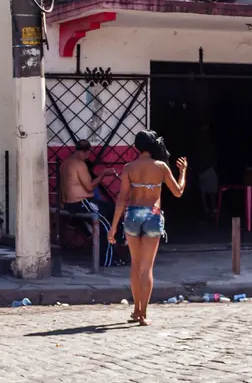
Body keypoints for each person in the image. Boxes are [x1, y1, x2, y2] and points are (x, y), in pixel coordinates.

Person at [108, 130, 187, 326]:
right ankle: (143, 314)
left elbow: (121, 198)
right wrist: (183, 172)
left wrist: (113, 227)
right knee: (147, 267)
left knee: (135, 265)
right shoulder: (160, 167)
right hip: (152, 215)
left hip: (133, 215)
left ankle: (136, 310)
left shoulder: (129, 167)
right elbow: (178, 192)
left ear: (137, 146)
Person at [60, 139, 119, 267]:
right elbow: (89, 187)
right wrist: (103, 174)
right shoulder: (80, 164)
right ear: (84, 152)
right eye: (88, 154)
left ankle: (118, 242)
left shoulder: (64, 164)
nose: (88, 157)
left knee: (112, 209)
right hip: (81, 202)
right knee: (106, 226)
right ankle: (107, 261)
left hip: (70, 204)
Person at [194, 123, 218, 220]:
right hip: (206, 169)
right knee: (210, 191)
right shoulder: (206, 145)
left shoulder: (198, 144)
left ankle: (208, 210)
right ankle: (211, 209)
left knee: (204, 192)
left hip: (203, 169)